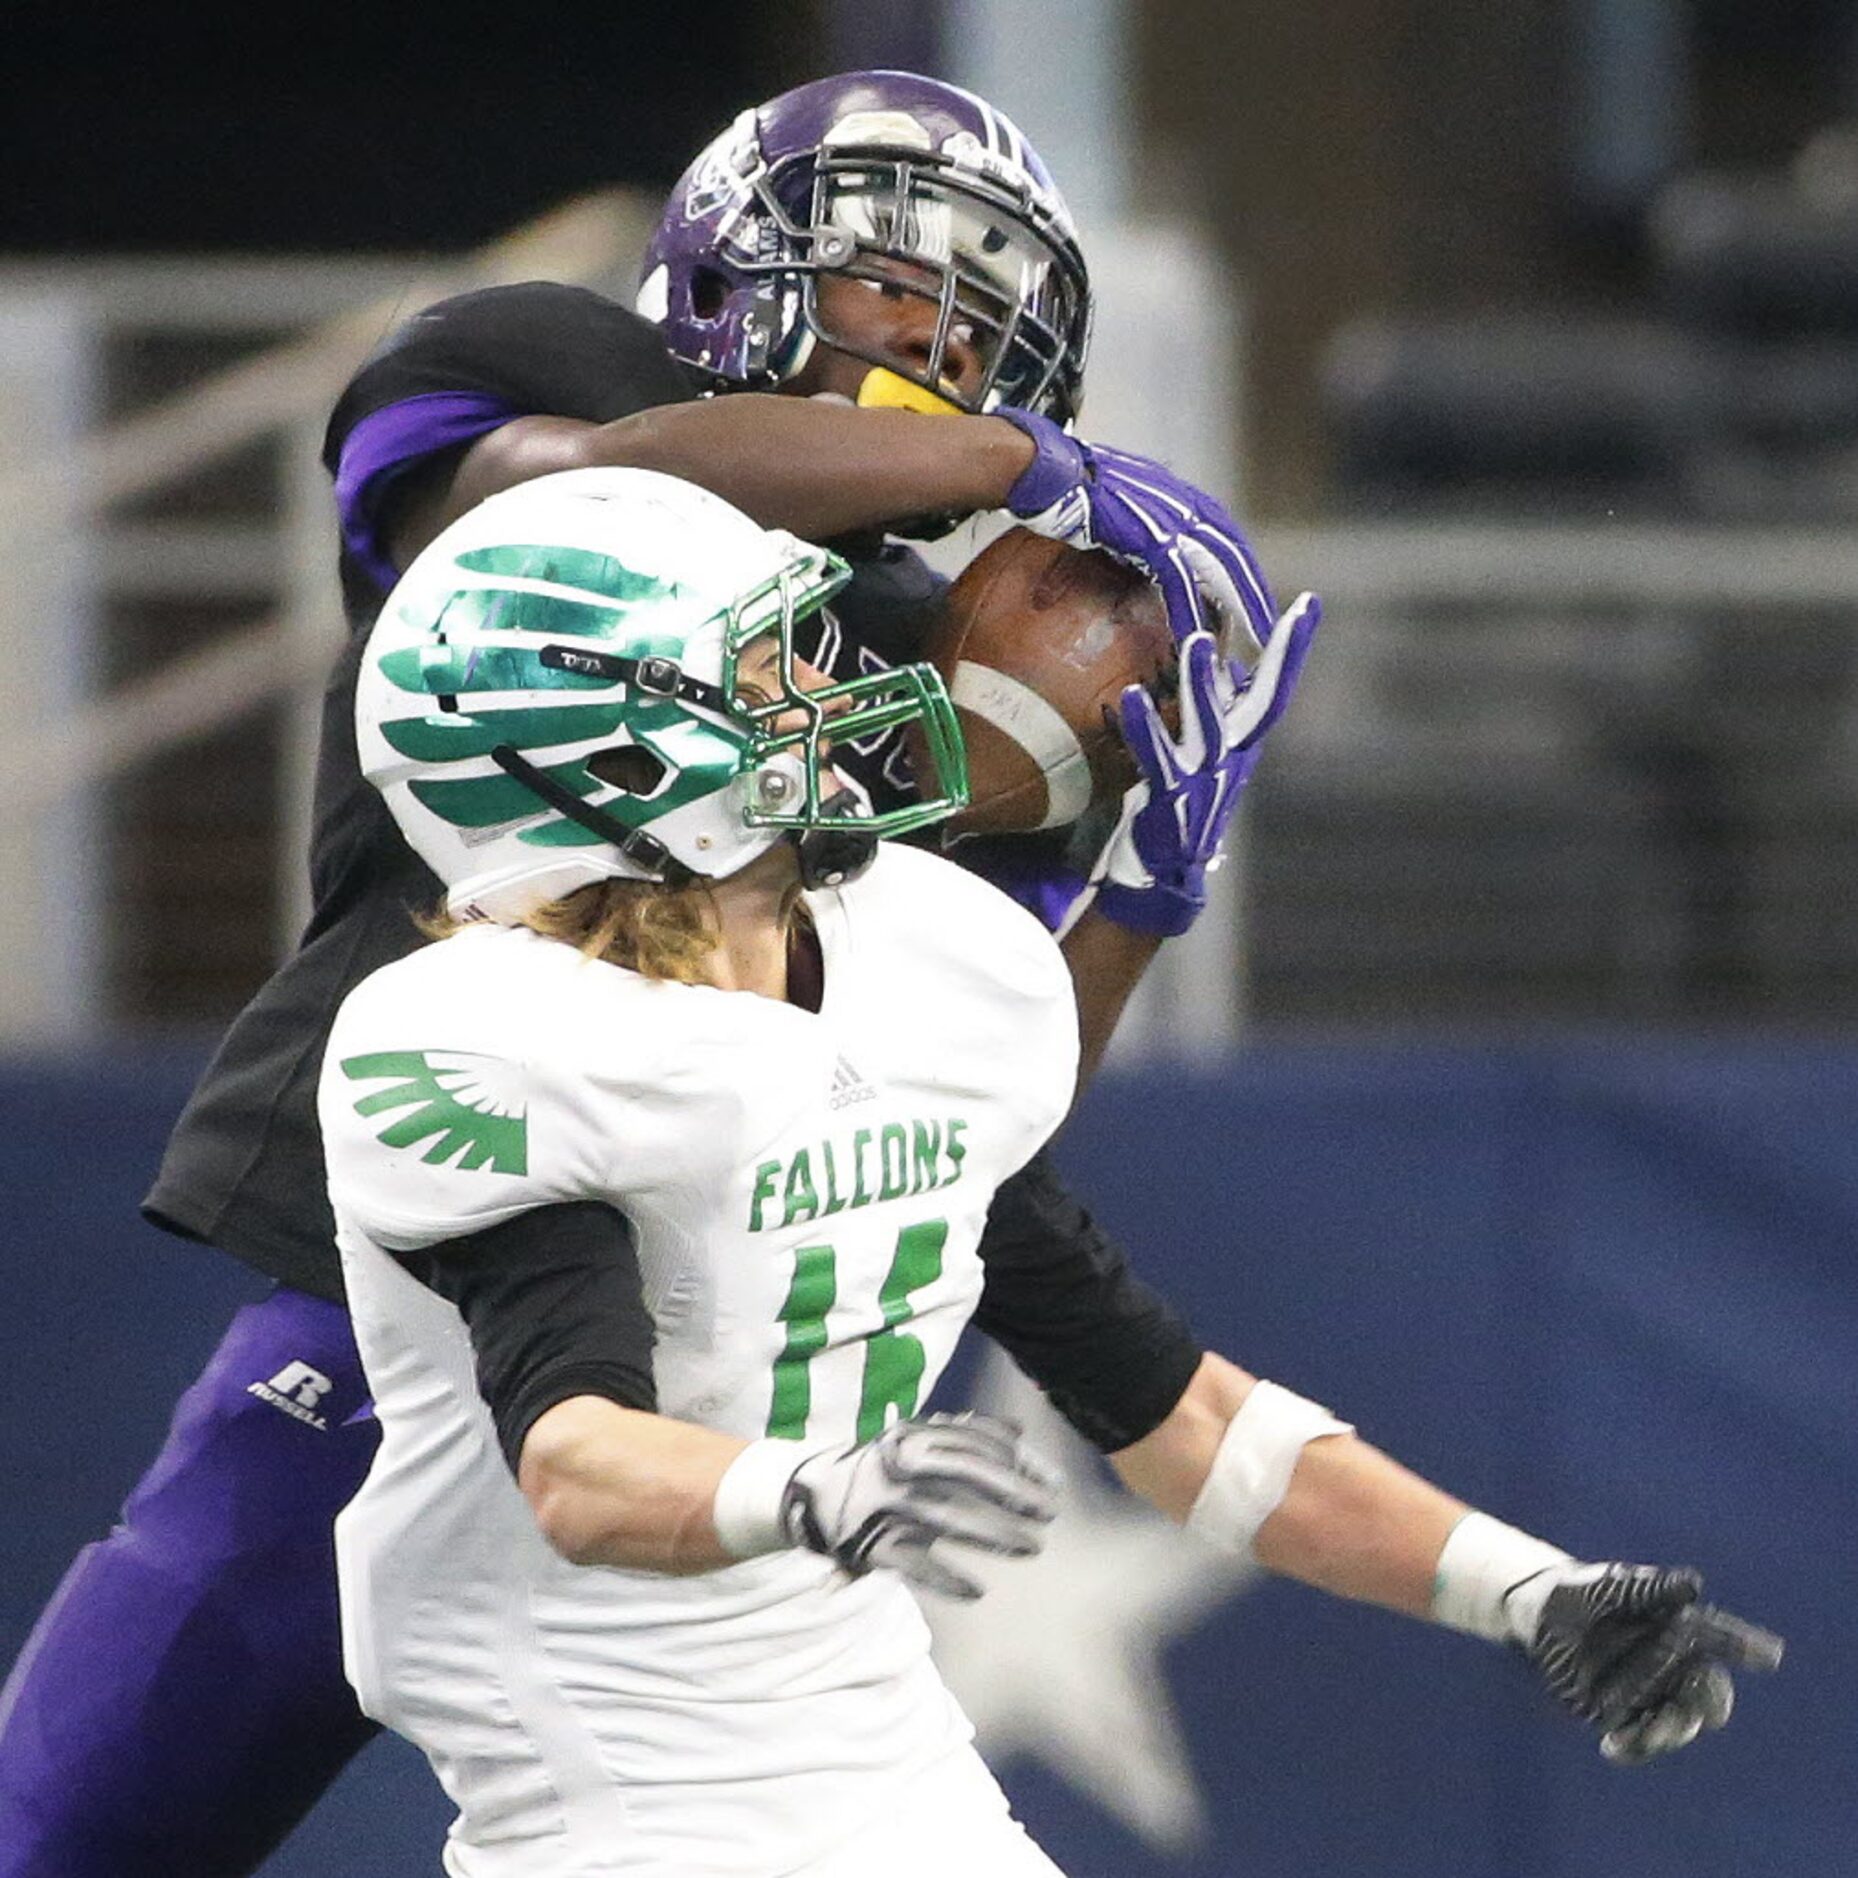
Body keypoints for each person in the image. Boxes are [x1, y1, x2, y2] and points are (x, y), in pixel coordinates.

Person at [0, 72, 1305, 1877]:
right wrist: (1015, 465)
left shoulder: (943, 658)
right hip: (421, 1278)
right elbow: (583, 494)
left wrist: (1143, 892)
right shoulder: (542, 385)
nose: (935, 336)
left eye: (983, 333)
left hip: (737, 1351)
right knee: (76, 1828)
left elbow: (977, 1088)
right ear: (735, 268)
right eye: (893, 280)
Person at [323, 466, 1778, 1876]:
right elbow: (574, 1464)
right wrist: (813, 1487)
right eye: (769, 671)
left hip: (878, 1759)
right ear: (612, 758)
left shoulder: (916, 966)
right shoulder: (501, 1035)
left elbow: (1178, 1413)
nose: (832, 695)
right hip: (620, 1795)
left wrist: (1527, 1589)